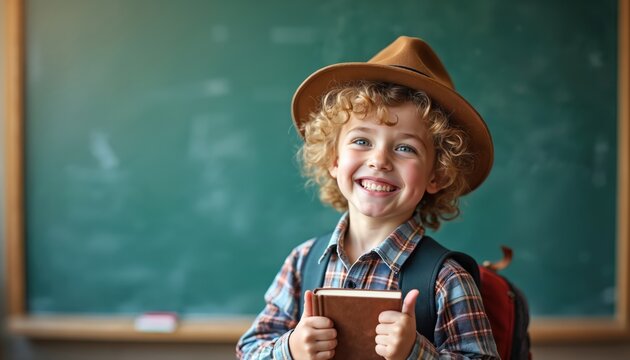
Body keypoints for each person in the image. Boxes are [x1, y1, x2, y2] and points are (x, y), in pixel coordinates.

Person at [237, 36, 499, 360]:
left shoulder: (446, 279)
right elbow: (249, 350)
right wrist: (290, 348)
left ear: (438, 175)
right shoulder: (302, 262)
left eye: (405, 148)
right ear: (334, 159)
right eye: (361, 140)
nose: (379, 160)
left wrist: (415, 352)